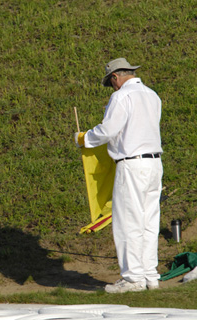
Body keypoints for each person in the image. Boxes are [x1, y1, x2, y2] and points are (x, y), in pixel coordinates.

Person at [74, 58, 163, 293]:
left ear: (115, 77)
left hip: (131, 164)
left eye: (111, 83)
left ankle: (133, 278)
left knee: (128, 222)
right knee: (149, 221)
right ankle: (149, 275)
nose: (112, 88)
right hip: (154, 163)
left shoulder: (121, 96)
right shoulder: (152, 95)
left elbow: (109, 129)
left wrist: (84, 138)